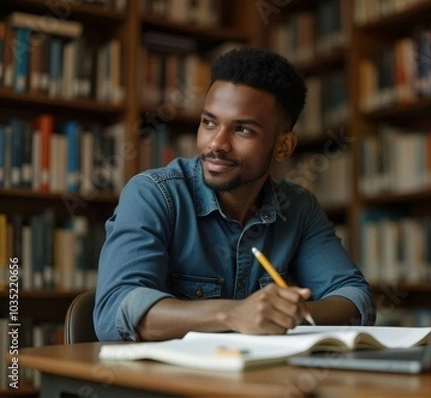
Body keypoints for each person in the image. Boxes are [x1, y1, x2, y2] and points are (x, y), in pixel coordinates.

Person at [93, 47, 376, 341]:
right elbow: (115, 313)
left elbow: (355, 298)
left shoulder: (298, 208)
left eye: (242, 130)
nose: (216, 143)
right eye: (209, 122)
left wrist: (288, 314)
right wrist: (232, 314)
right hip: (164, 383)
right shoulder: (153, 195)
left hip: (254, 381)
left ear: (283, 146)